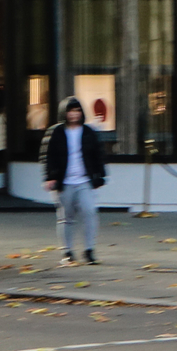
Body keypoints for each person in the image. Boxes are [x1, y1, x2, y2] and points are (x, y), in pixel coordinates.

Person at [42, 98, 106, 264]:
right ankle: (67, 252)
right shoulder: (56, 132)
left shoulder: (88, 132)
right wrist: (50, 177)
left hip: (84, 181)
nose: (74, 114)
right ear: (64, 112)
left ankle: (89, 250)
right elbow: (48, 156)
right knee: (66, 217)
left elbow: (98, 154)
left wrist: (100, 175)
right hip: (64, 183)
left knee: (90, 212)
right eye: (71, 111)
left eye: (77, 110)